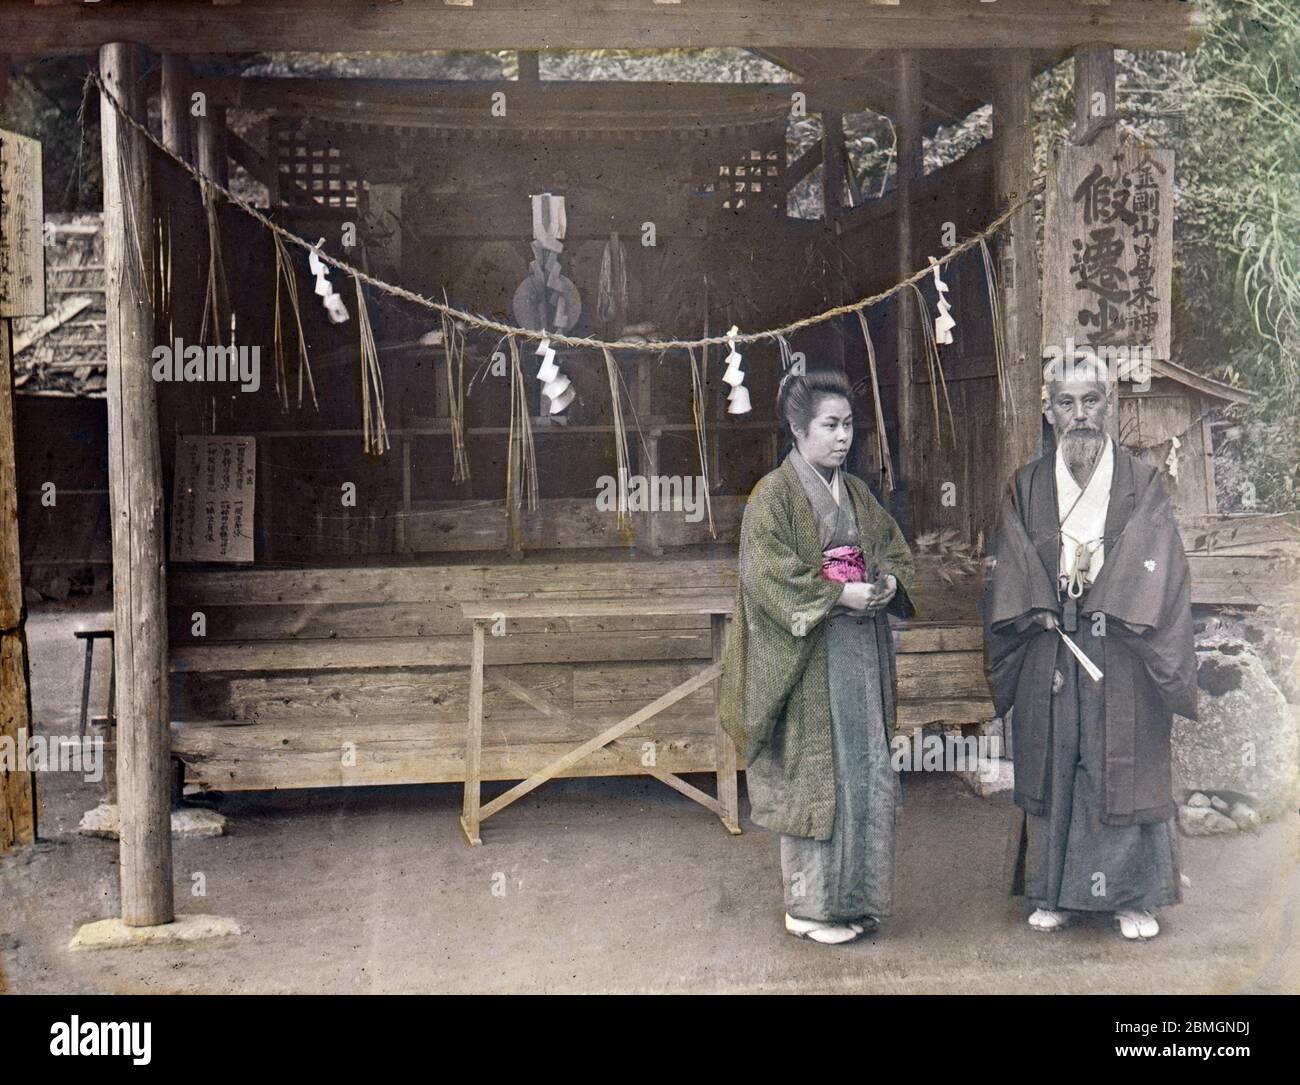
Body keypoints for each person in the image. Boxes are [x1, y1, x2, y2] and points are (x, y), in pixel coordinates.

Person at [981, 356, 1197, 941]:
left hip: (1121, 643)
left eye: (1092, 401)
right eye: (1067, 404)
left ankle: (1132, 898)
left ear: (1111, 407)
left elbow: (1158, 557)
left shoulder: (1141, 479)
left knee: (1117, 762)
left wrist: (1110, 598)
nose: (1080, 416)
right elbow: (1011, 563)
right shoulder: (1026, 484)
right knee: (1057, 759)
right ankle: (1054, 893)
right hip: (1050, 643)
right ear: (1049, 413)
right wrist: (1040, 603)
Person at [720, 368, 917, 946]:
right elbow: (765, 575)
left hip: (860, 655)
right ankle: (808, 908)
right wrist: (836, 593)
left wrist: (884, 584)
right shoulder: (773, 496)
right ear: (797, 429)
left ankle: (857, 901)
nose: (842, 437)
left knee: (864, 773)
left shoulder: (856, 492)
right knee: (816, 778)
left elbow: (892, 551)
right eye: (829, 426)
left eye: (848, 425)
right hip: (809, 659)